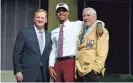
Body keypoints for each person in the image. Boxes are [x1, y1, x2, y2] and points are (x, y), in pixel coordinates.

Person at [48, 3, 104, 82]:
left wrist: (100, 23)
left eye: (64, 11)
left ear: (68, 13)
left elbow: (91, 21)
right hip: (58, 64)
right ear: (56, 14)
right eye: (59, 11)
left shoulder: (76, 24)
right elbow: (53, 50)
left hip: (71, 62)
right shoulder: (54, 32)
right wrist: (50, 66)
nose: (61, 13)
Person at [13, 9, 52, 82]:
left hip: (44, 75)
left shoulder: (49, 35)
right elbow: (17, 53)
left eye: (42, 18)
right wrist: (18, 71)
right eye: (38, 17)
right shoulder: (24, 33)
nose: (40, 19)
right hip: (27, 74)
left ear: (46, 20)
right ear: (34, 19)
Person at [75, 7, 109, 82]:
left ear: (95, 17)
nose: (86, 18)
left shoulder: (100, 30)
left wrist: (96, 69)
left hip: (92, 71)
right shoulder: (82, 30)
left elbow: (102, 52)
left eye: (88, 15)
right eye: (84, 16)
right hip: (80, 70)